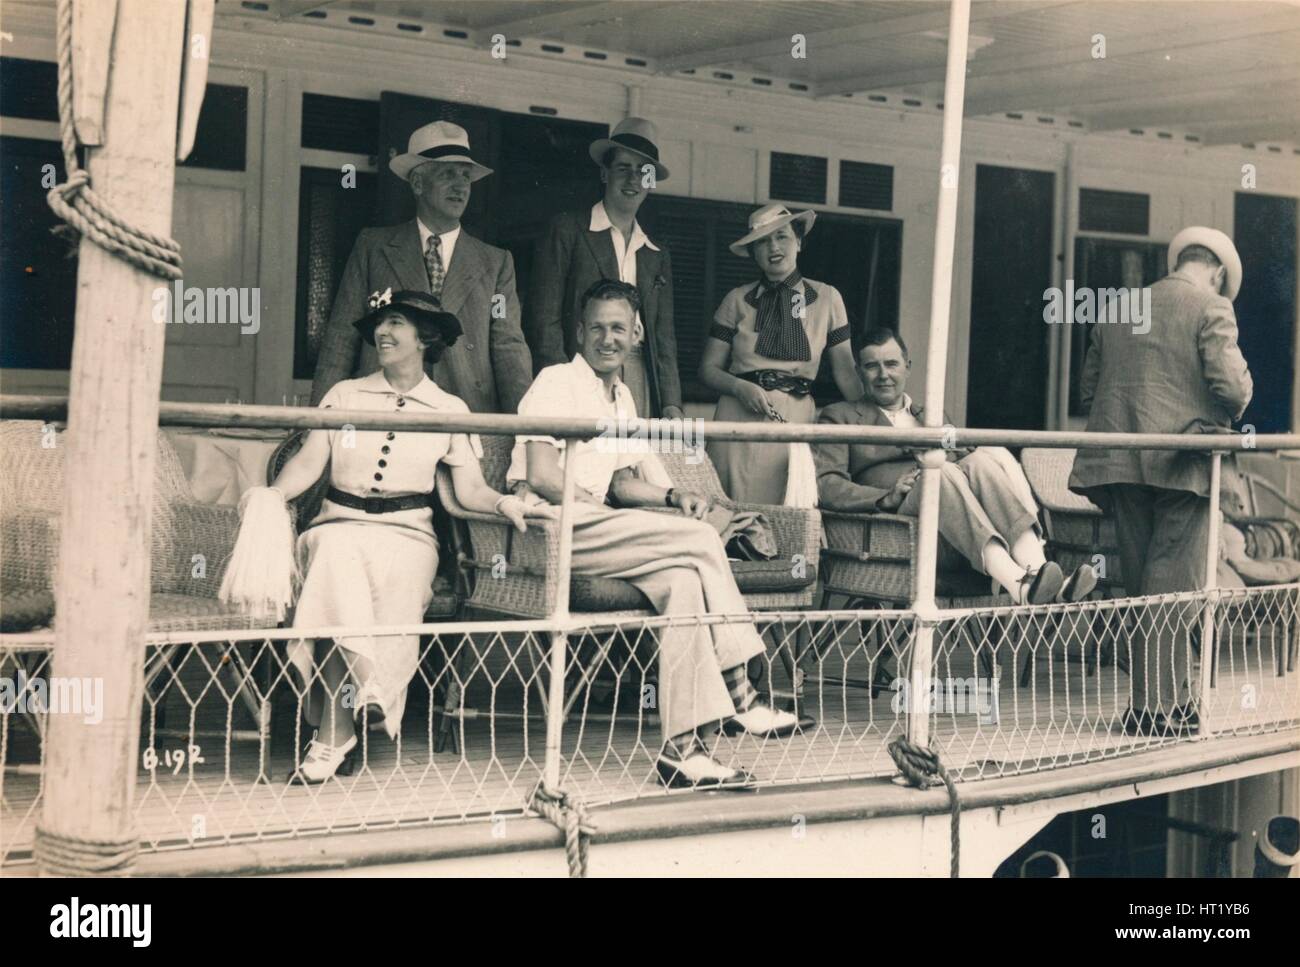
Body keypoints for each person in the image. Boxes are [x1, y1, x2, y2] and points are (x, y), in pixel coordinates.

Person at [508, 279, 799, 789]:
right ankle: (741, 692)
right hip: (549, 529)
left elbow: (624, 480)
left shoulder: (621, 397)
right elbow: (540, 474)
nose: (607, 338)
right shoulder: (556, 381)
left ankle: (683, 751)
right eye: (596, 327)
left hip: (600, 533)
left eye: (618, 327)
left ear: (636, 332)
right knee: (703, 541)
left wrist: (670, 498)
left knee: (683, 580)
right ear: (579, 332)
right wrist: (604, 509)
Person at [274, 289, 555, 783]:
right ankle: (367, 693)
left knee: (380, 577)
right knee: (337, 555)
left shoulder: (449, 408)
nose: (383, 333)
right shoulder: (345, 394)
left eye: (396, 323)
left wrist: (505, 502)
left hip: (408, 536)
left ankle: (334, 735)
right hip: (338, 523)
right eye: (380, 324)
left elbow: (469, 489)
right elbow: (308, 463)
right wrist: (271, 496)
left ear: (426, 338)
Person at [1069, 226, 1253, 736]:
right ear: (1216, 272)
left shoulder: (1122, 307)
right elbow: (1234, 390)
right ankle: (1155, 708)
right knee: (1175, 589)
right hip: (1184, 464)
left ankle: (1172, 700)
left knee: (1145, 584)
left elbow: (1089, 392)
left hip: (1122, 461)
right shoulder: (1212, 307)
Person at [815, 328, 1098, 605]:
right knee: (940, 473)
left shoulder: (932, 415)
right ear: (859, 371)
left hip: (955, 529)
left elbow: (966, 460)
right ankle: (1018, 584)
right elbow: (827, 484)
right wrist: (884, 497)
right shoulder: (840, 416)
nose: (883, 375)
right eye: (871, 366)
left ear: (907, 367)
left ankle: (1039, 573)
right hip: (896, 529)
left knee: (979, 462)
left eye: (891, 364)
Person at [310, 121, 532, 414]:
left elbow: (508, 347)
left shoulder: (496, 263)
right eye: (447, 173)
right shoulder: (373, 247)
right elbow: (341, 337)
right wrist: (316, 423)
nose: (460, 185)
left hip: (466, 415)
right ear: (417, 183)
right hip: (382, 411)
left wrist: (527, 431)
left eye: (465, 176)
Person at [700, 204, 863, 504]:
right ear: (753, 252)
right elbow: (708, 369)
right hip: (738, 416)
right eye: (762, 241)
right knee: (729, 510)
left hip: (794, 416)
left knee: (787, 509)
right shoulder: (736, 300)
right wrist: (739, 386)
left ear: (799, 242)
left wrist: (870, 419)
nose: (773, 247)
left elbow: (845, 371)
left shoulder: (827, 298)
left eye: (782, 237)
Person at [527, 117, 683, 420]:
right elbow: (544, 319)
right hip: (581, 372)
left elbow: (664, 337)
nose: (633, 179)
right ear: (604, 173)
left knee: (633, 461)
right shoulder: (569, 230)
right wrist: (559, 384)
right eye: (623, 168)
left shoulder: (656, 252)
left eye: (643, 172)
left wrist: (671, 403)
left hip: (638, 376)